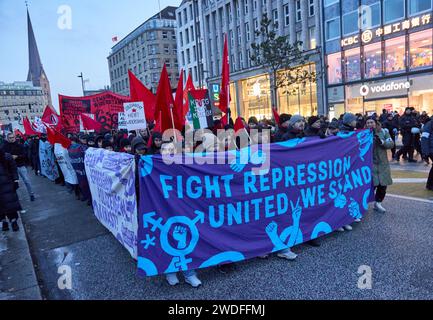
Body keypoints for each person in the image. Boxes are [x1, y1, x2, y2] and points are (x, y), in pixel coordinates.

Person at [365, 118, 394, 213]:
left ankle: (378, 203)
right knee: (370, 185)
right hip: (370, 163)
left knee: (383, 185)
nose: (370, 124)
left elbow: (391, 144)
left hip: (383, 164)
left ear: (376, 123)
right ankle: (363, 204)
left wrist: (382, 142)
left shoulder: (384, 132)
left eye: (371, 122)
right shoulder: (364, 134)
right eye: (368, 123)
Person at [3, 133, 35, 201]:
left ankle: (31, 194)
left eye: (12, 137)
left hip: (20, 165)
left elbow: (24, 155)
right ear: (7, 139)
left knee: (26, 180)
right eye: (10, 138)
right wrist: (9, 158)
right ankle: (15, 198)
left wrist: (17, 156)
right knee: (13, 183)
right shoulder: (4, 147)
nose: (12, 139)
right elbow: (3, 156)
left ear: (14, 137)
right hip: (11, 167)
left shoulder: (19, 145)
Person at [0, 146, 22, 232]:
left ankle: (13, 222)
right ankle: (4, 222)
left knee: (10, 205)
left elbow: (13, 169)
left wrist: (16, 180)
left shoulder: (6, 156)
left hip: (7, 185)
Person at [421, 115, 433, 191]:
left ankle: (430, 184)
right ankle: (430, 184)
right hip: (431, 149)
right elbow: (424, 138)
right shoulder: (430, 124)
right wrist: (426, 152)